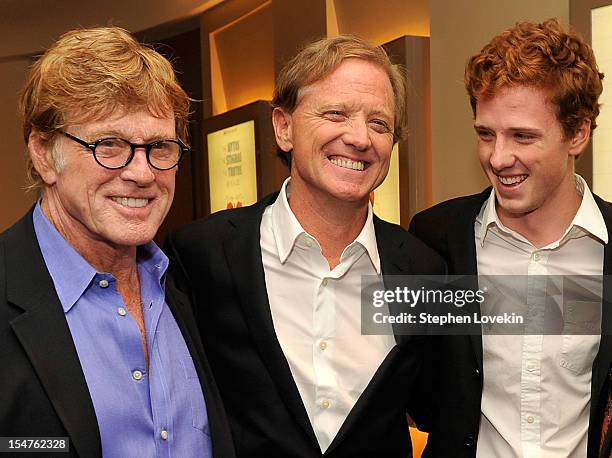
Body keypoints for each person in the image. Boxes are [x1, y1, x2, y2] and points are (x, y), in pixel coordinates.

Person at [166, 35, 445, 457]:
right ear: (283, 127)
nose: (359, 138)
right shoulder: (202, 254)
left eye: (379, 123)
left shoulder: (422, 269)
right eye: (336, 114)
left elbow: (437, 406)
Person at [0, 27, 234, 457]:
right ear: (42, 152)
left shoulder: (186, 284)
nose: (142, 173)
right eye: (110, 145)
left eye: (160, 147)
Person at [410, 19, 610, 457]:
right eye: (485, 134)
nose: (498, 158)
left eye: (523, 136)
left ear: (578, 133)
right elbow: (421, 397)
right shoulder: (436, 239)